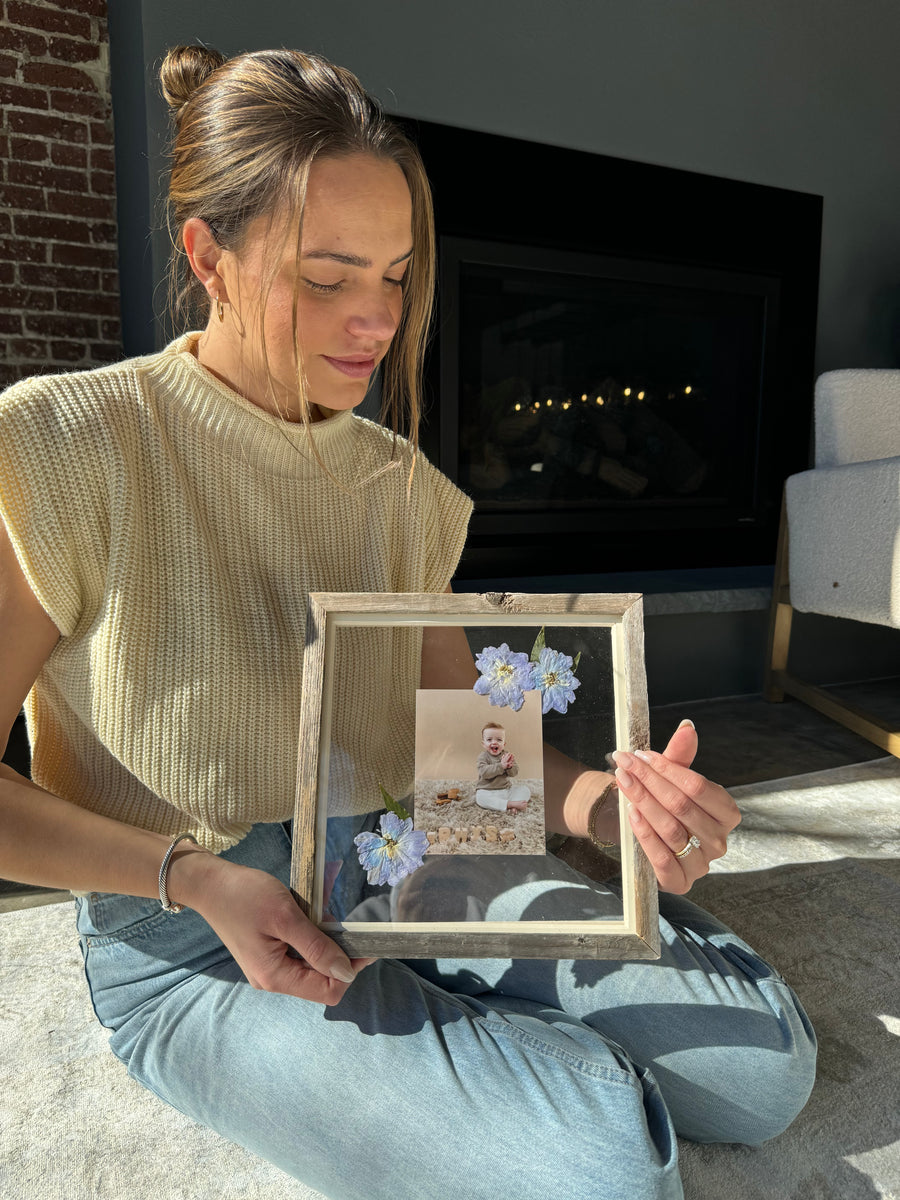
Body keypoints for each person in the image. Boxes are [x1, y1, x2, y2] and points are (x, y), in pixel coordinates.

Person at [0, 44, 816, 1200]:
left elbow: (454, 762)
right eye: (328, 276)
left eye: (395, 273)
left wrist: (605, 807)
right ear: (209, 257)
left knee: (765, 1072)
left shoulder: (403, 489)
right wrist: (191, 879)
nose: (376, 318)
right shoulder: (67, 445)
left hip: (394, 864)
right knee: (600, 1161)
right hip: (187, 936)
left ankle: (490, 1014)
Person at [475, 722, 530, 812]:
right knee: (480, 798)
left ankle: (512, 804)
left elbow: (514, 773)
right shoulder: (483, 757)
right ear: (483, 744)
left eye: (499, 740)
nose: (494, 742)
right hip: (487, 790)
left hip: (505, 790)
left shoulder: (507, 755)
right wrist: (501, 766)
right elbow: (484, 773)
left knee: (525, 789)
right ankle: (509, 804)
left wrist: (510, 767)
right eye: (489, 739)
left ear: (504, 744)